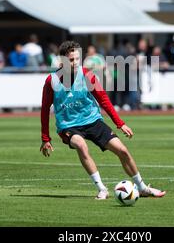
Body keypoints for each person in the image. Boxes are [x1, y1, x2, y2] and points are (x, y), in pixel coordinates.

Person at [40, 41, 166, 199]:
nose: (75, 63)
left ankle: (142, 187)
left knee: (123, 151)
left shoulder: (87, 75)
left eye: (77, 59)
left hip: (92, 120)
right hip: (69, 126)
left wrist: (120, 123)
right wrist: (45, 138)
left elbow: (104, 100)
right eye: (71, 60)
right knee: (81, 145)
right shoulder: (51, 81)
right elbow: (45, 109)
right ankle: (101, 188)